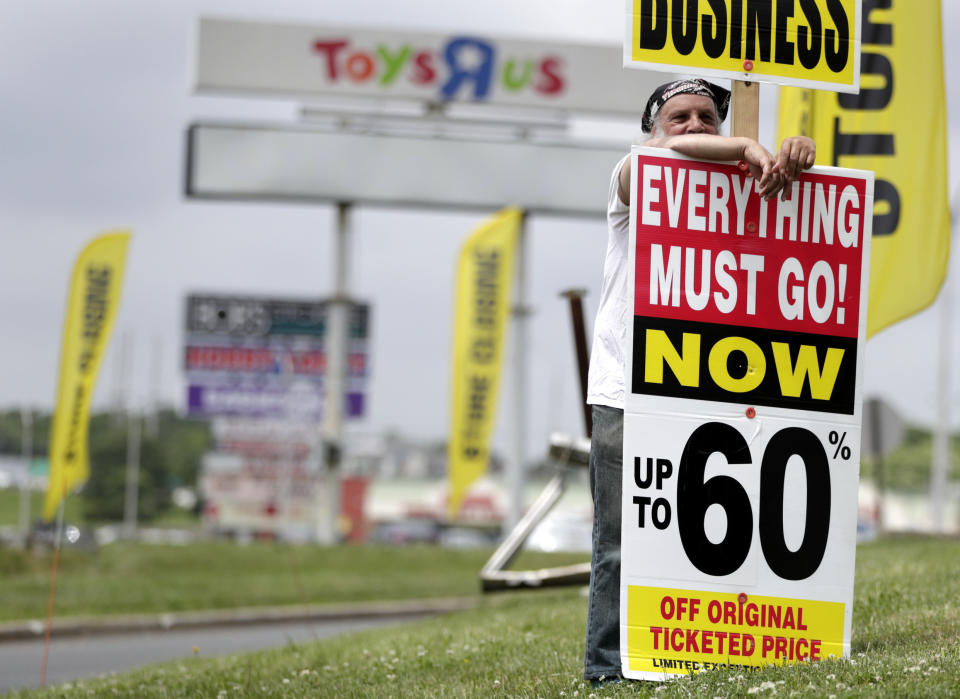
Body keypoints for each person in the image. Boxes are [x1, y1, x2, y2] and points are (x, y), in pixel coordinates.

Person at [582, 78, 816, 684]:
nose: (693, 127)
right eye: (678, 117)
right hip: (626, 391)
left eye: (707, 118)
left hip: (710, 394)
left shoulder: (747, 186)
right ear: (653, 131)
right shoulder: (634, 174)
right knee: (619, 542)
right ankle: (610, 670)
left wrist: (792, 155)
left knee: (709, 532)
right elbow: (652, 163)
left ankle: (706, 654)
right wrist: (744, 146)